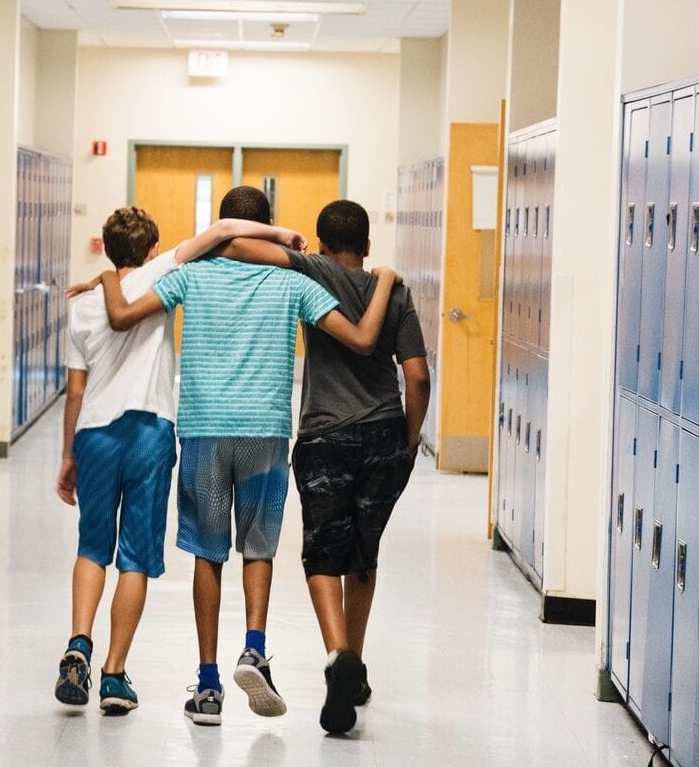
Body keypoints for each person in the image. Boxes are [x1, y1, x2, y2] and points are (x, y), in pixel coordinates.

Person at [98, 186, 399, 726]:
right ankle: (254, 649)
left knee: (207, 553)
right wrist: (385, 284)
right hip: (264, 431)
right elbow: (358, 339)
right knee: (258, 549)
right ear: (266, 227)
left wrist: (99, 284)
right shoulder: (292, 280)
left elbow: (126, 312)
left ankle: (208, 686)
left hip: (205, 430)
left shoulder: (188, 276)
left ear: (224, 227)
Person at [54, 206, 305, 715]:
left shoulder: (82, 304)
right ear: (150, 249)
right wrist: (281, 234)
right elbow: (225, 231)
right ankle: (113, 674)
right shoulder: (164, 270)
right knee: (136, 558)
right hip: (149, 431)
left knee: (91, 546)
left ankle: (79, 643)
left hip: (95, 434)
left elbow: (74, 392)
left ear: (106, 246)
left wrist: (67, 455)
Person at [218, 199, 430, 734]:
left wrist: (285, 239)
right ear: (366, 244)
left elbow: (237, 245)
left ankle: (338, 654)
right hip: (384, 430)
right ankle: (354, 665)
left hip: (325, 435)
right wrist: (407, 441)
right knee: (364, 548)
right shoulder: (397, 290)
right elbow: (418, 376)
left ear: (323, 239)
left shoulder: (315, 270)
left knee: (322, 548)